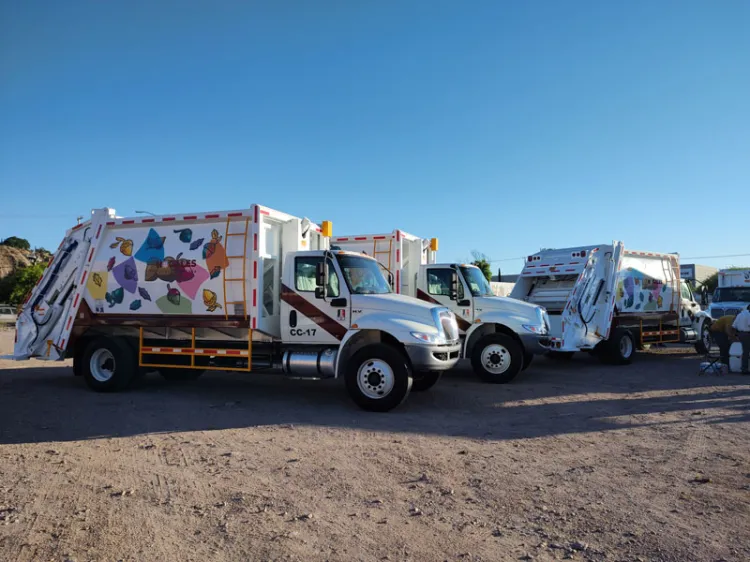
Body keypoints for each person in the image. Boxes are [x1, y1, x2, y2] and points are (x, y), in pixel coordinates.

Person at [732, 304, 750, 374]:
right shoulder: (749, 314)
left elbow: (733, 326)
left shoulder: (740, 314)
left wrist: (735, 335)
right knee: (746, 352)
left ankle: (744, 368)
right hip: (747, 334)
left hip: (741, 334)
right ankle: (744, 369)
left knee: (745, 351)